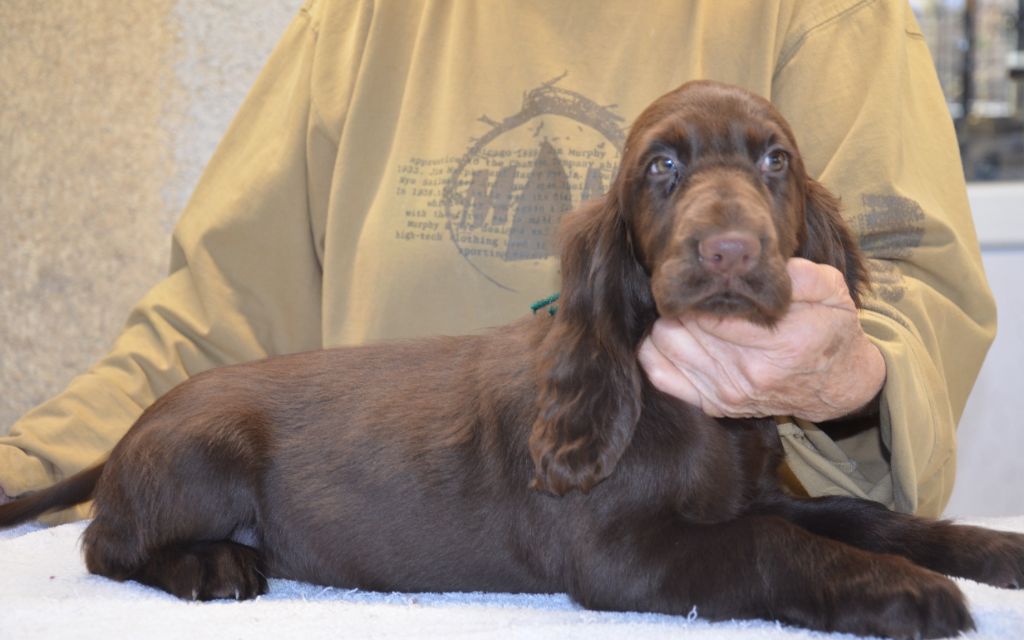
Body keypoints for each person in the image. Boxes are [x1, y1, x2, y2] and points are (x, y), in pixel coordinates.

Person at [0, 0, 995, 521]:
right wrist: (25, 471)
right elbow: (210, 323)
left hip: (699, 583)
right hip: (383, 593)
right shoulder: (359, 19)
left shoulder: (824, 11)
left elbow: (912, 285)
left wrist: (848, 376)